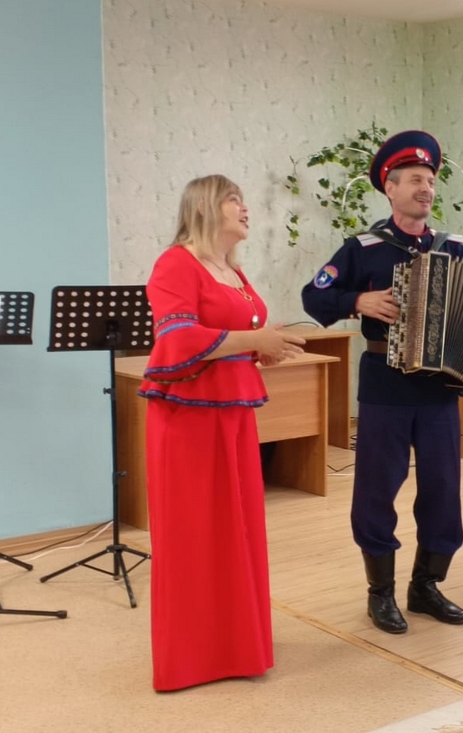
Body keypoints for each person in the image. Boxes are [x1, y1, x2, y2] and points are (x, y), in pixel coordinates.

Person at [301, 130, 463, 635]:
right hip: (384, 385)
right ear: (390, 188)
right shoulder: (363, 249)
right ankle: (380, 593)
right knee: (377, 490)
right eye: (415, 180)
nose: (426, 188)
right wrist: (357, 301)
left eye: (430, 181)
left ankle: (426, 586)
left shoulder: (453, 248)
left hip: (439, 389)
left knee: (443, 489)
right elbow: (314, 296)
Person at [139, 174, 306, 691]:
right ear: (205, 206)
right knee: (195, 532)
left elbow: (235, 335)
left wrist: (263, 347)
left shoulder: (232, 270)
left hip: (231, 413)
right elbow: (178, 336)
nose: (245, 208)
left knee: (236, 527)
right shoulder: (175, 263)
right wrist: (255, 339)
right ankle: (191, 658)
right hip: (187, 416)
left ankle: (236, 645)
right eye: (235, 199)